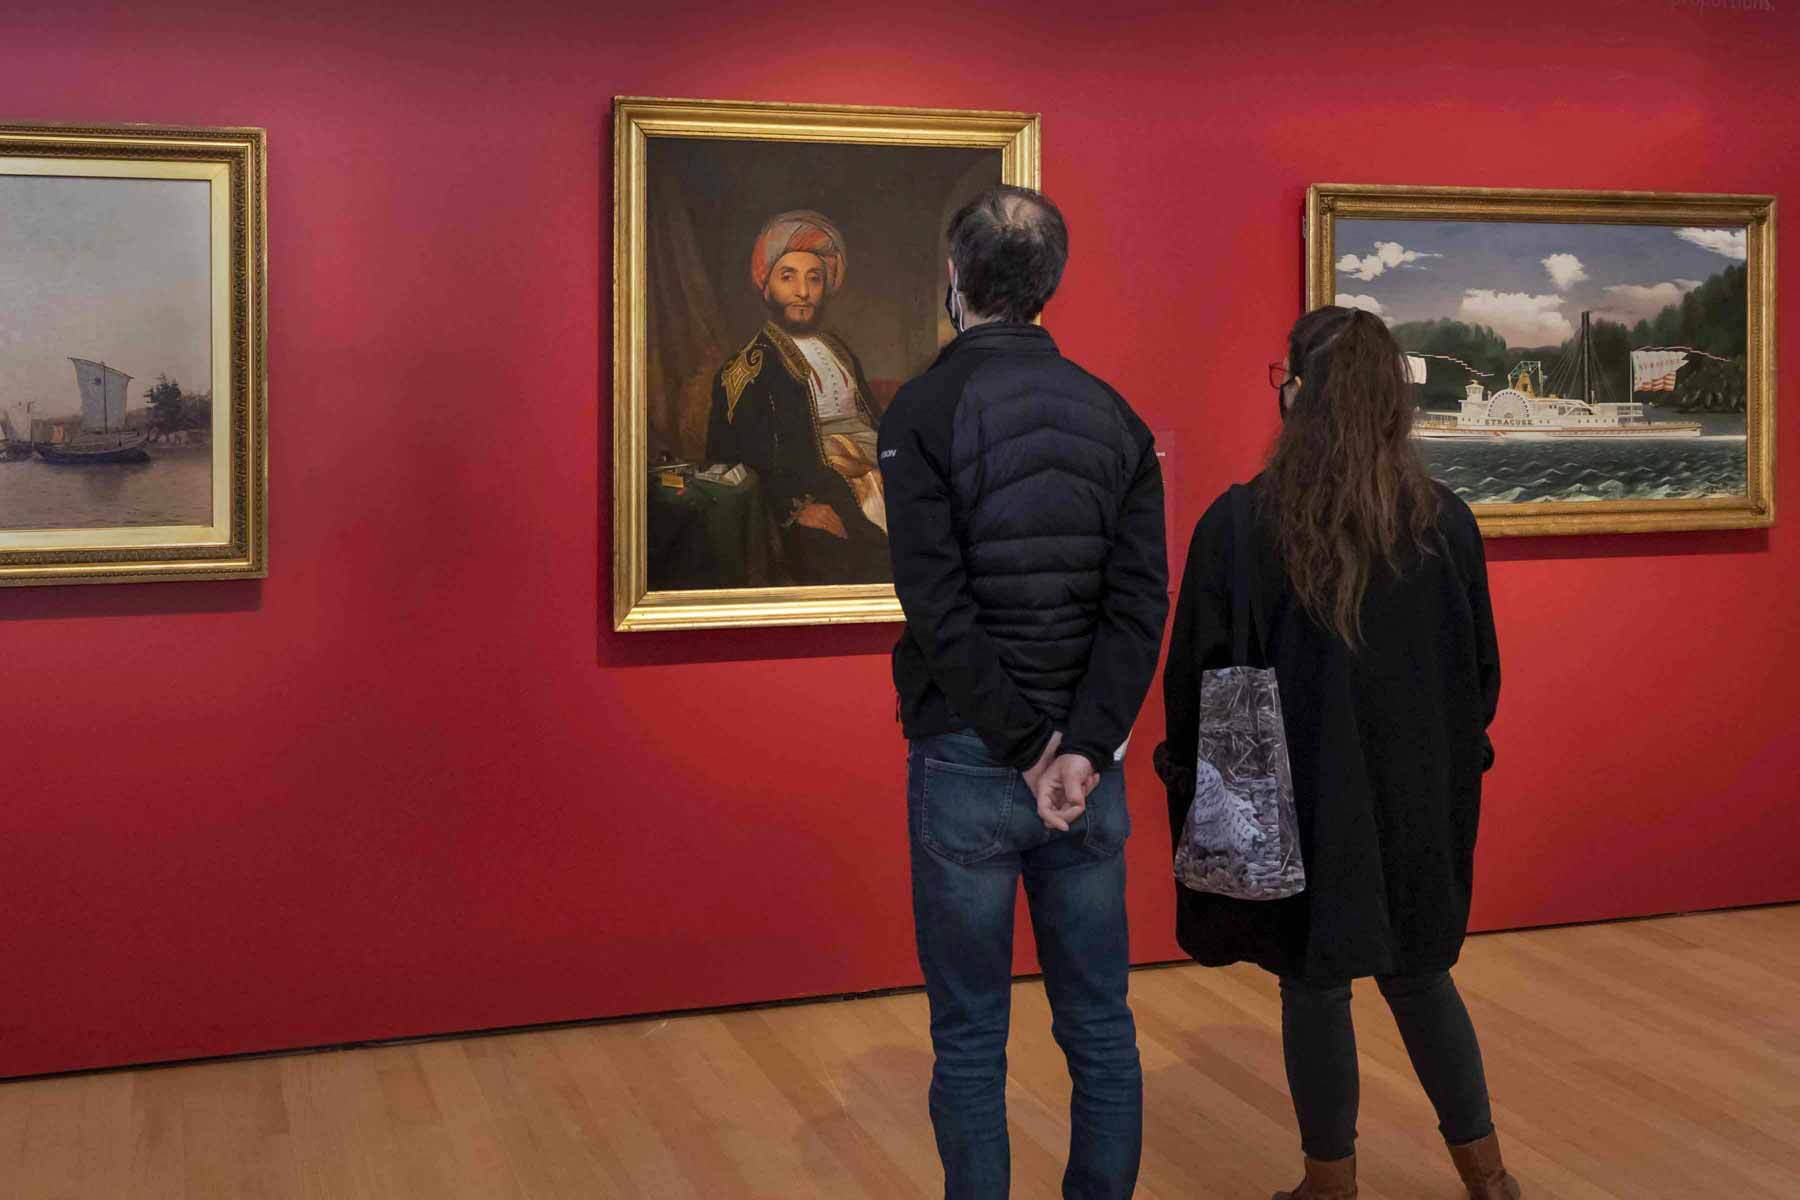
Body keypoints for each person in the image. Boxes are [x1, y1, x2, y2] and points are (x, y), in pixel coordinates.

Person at [1159, 306, 1518, 1200]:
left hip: (1293, 797)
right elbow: (1481, 679)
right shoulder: (1446, 524)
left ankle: (1330, 1184)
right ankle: (1490, 1179)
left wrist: (1182, 777)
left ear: (1296, 394)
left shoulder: (1242, 524)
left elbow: (1195, 680)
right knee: (1421, 976)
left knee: (1314, 985)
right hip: (1418, 798)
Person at [879, 185, 1168, 1199]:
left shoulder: (921, 409)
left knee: (968, 1037)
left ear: (955, 278)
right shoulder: (1116, 416)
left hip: (972, 757)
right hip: (1084, 775)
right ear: (1051, 284)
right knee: (1099, 1023)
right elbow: (1141, 608)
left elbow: (936, 605)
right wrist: (1080, 749)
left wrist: (1027, 747)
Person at [705, 209, 890, 584]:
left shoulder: (838, 350)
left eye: (814, 278)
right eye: (788, 276)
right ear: (766, 285)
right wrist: (795, 509)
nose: (803, 291)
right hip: (816, 495)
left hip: (882, 480)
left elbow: (873, 421)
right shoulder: (748, 366)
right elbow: (730, 457)